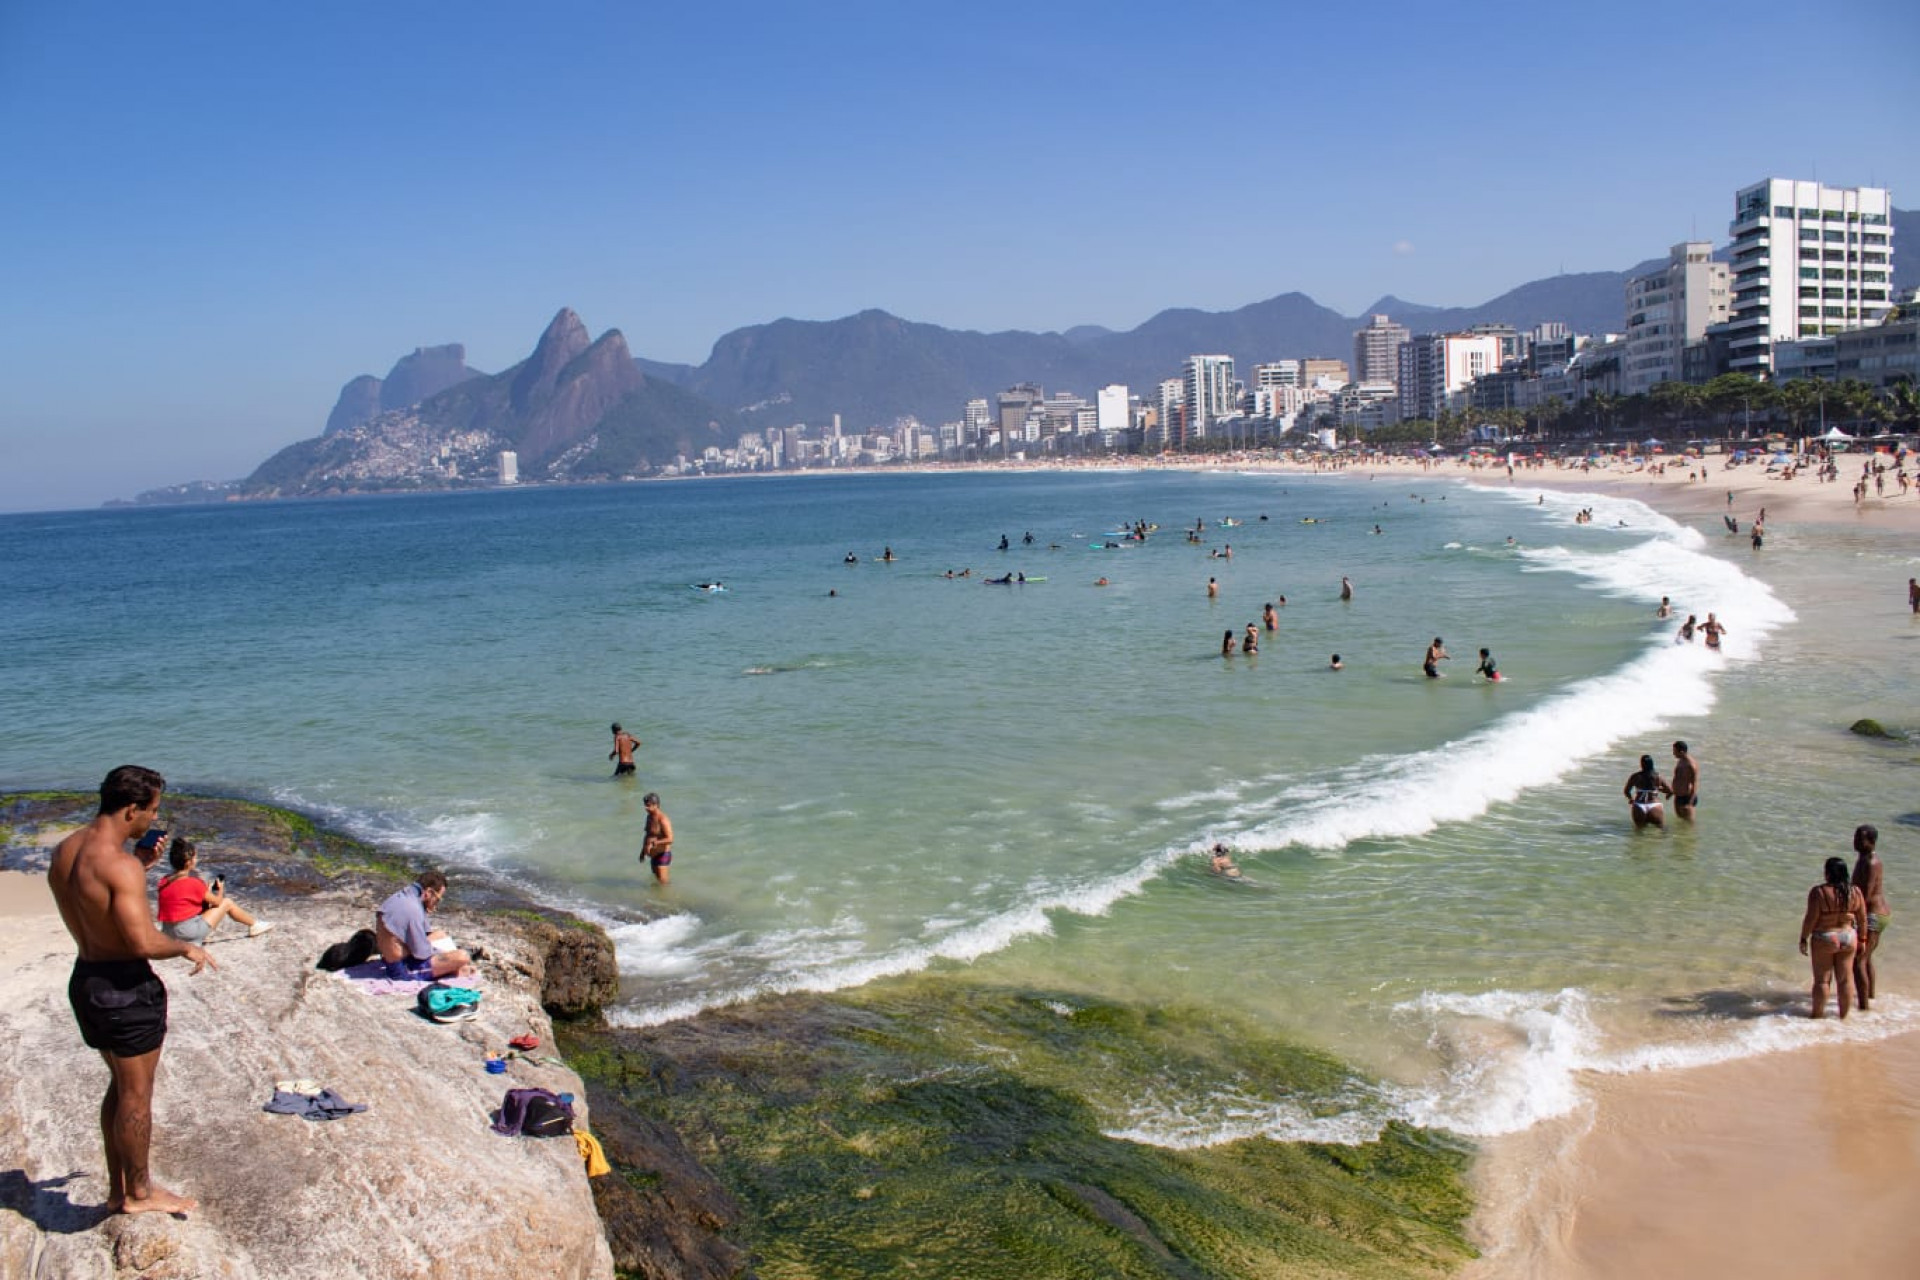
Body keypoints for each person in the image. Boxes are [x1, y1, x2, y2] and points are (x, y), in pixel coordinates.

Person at [48, 765, 216, 1217]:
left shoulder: (66, 851)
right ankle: (140, 1194)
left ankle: (117, 1187)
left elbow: (93, 904)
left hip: (87, 980)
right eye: (152, 811)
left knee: (120, 1087)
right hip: (126, 988)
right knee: (137, 1095)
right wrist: (186, 947)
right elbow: (142, 941)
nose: (152, 820)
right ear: (131, 809)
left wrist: (139, 868)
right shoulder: (118, 866)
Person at [156, 838, 270, 942]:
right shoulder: (194, 883)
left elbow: (182, 899)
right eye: (195, 857)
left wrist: (205, 891)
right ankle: (254, 925)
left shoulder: (164, 881)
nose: (196, 860)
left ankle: (202, 933)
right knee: (227, 903)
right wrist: (220, 889)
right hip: (187, 933)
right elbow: (218, 902)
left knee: (203, 902)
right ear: (188, 862)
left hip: (168, 933)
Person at [1800, 855, 1867, 1019]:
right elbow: (1862, 918)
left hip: (1825, 937)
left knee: (1822, 981)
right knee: (1845, 979)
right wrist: (1863, 939)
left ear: (1828, 873)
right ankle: (1843, 1017)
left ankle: (1817, 1016)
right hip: (1848, 936)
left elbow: (1811, 918)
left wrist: (1803, 938)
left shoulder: (1819, 892)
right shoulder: (1855, 891)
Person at [374, 870, 473, 980]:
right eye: (437, 900)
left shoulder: (402, 897)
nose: (436, 904)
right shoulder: (413, 909)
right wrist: (444, 953)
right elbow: (421, 953)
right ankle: (457, 968)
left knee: (440, 934)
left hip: (396, 955)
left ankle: (455, 966)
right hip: (403, 968)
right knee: (462, 956)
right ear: (429, 892)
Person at [1852, 824, 1887, 1012]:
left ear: (1872, 842)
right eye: (1855, 837)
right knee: (1866, 958)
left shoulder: (1871, 863)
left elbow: (1865, 893)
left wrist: (1854, 916)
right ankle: (1870, 997)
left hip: (1873, 915)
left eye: (1860, 839)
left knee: (1858, 960)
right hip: (1874, 914)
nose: (1855, 841)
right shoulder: (1863, 858)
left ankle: (1864, 1008)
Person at [1623, 753, 1670, 828]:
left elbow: (1626, 791)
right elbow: (1670, 790)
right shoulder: (1657, 777)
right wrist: (1661, 790)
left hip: (1639, 806)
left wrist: (1631, 799)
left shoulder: (1635, 776)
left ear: (1641, 764)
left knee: (1639, 833)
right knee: (1662, 830)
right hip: (1654, 805)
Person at [641, 792, 675, 884]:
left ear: (656, 805)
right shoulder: (649, 817)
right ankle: (654, 898)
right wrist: (643, 851)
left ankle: (668, 898)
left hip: (662, 855)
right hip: (653, 856)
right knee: (656, 881)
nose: (645, 808)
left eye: (648, 806)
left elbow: (670, 839)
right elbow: (648, 834)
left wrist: (655, 843)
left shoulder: (663, 819)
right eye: (645, 805)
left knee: (663, 882)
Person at [1669, 741, 1699, 822]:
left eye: (1674, 751)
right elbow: (1678, 778)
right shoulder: (1681, 760)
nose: (1673, 753)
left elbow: (1695, 783)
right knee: (1680, 822)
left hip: (1687, 797)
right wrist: (1672, 791)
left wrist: (1690, 803)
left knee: (1689, 824)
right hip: (1678, 796)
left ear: (1681, 752)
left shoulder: (1691, 764)